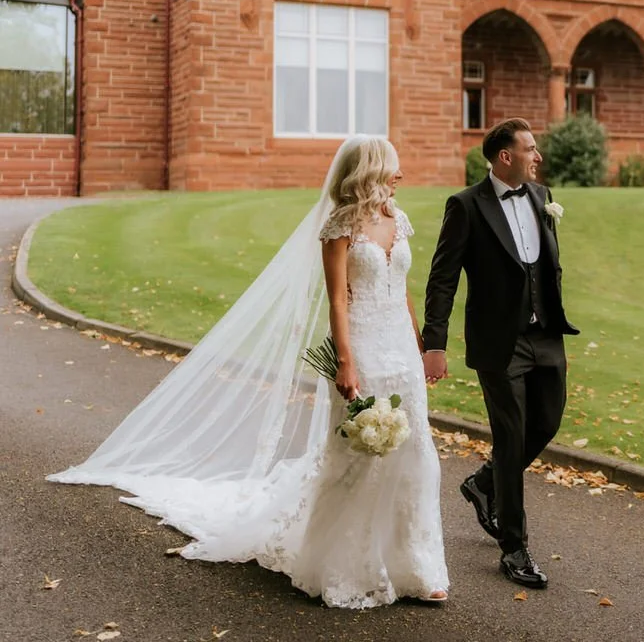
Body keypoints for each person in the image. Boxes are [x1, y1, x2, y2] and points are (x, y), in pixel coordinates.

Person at [50, 135, 449, 608]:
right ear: (368, 173)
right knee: (356, 456)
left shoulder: (396, 220)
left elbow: (401, 287)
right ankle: (348, 566)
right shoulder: (340, 225)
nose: (400, 176)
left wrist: (421, 342)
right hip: (361, 345)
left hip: (401, 349)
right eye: (392, 168)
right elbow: (338, 299)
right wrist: (345, 360)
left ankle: (414, 567)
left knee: (412, 454)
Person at [423, 117, 578, 589]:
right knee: (511, 438)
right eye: (530, 149)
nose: (538, 157)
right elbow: (443, 278)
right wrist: (435, 343)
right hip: (499, 344)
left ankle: (484, 482)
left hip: (545, 336)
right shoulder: (466, 206)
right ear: (505, 157)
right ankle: (515, 547)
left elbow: (545, 267)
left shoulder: (541, 196)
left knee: (546, 423)